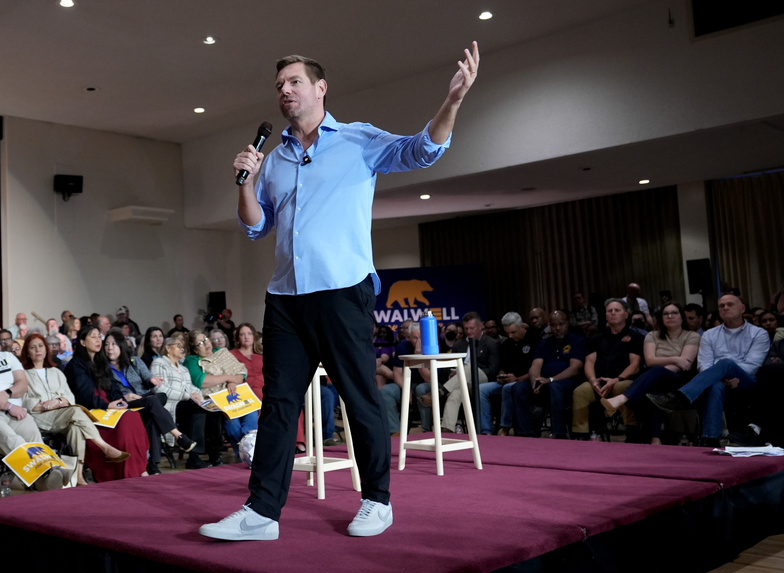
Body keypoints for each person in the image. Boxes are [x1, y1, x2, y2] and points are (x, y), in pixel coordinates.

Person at [201, 43, 480, 541]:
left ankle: (376, 499)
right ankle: (262, 512)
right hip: (285, 298)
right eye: (279, 86)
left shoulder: (358, 140)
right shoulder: (276, 158)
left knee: (357, 396)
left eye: (294, 82)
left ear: (320, 88)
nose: (285, 91)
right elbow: (255, 226)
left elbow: (423, 149)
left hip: (343, 293)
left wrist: (453, 101)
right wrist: (244, 182)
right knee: (279, 404)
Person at [648, 293, 770, 446]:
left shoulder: (758, 333)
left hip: (746, 381)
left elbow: (752, 365)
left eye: (730, 304)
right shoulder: (709, 334)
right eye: (721, 306)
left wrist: (726, 372)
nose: (725, 308)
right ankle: (710, 438)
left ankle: (682, 396)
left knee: (726, 363)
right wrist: (720, 378)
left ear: (742, 308)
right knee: (715, 385)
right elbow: (704, 364)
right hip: (717, 380)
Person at [0, 318, 65, 491]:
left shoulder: (7, 357)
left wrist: (7, 394)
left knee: (34, 438)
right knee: (9, 437)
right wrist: (8, 406)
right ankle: (49, 472)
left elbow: (22, 384)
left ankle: (36, 480)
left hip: (14, 412)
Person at [19, 333, 132, 485]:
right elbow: (25, 401)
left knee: (76, 428)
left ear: (46, 350)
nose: (37, 350)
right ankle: (104, 446)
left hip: (62, 415)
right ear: (27, 352)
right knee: (76, 411)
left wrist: (57, 401)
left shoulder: (56, 372)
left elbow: (69, 397)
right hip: (39, 417)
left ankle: (77, 475)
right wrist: (48, 404)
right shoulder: (23, 374)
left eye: (40, 346)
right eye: (32, 347)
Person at [64, 327, 172, 478]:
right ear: (82, 342)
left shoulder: (100, 362)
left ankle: (140, 468)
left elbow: (113, 386)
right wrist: (107, 405)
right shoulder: (76, 365)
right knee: (128, 418)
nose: (97, 340)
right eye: (93, 337)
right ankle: (128, 470)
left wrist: (118, 401)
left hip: (108, 407)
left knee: (132, 416)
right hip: (91, 410)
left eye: (98, 336)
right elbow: (84, 394)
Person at [600, 302, 700, 444]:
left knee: (655, 374)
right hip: (655, 379)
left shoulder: (692, 336)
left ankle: (623, 398)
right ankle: (655, 439)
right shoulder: (652, 336)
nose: (670, 316)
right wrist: (675, 359)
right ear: (661, 318)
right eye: (666, 314)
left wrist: (665, 366)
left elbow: (685, 364)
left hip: (680, 380)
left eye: (674, 313)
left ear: (681, 317)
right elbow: (650, 360)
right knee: (653, 392)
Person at [571, 299, 645, 439]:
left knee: (622, 387)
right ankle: (580, 434)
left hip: (623, 380)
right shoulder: (596, 338)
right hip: (599, 382)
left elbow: (635, 365)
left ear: (626, 315)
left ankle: (632, 431)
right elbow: (589, 362)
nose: (613, 313)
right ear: (605, 316)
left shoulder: (635, 337)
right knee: (580, 391)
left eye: (617, 310)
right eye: (609, 311)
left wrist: (616, 380)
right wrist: (593, 381)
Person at [185, 329, 257, 468]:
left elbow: (241, 372)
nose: (206, 344)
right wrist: (229, 378)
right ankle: (245, 456)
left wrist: (233, 381)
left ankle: (253, 451)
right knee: (233, 423)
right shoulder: (193, 360)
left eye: (205, 339)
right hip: (216, 400)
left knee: (252, 416)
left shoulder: (222, 352)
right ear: (194, 348)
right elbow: (202, 381)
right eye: (200, 343)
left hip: (237, 393)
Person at [512, 311, 585, 438]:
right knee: (518, 388)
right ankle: (525, 434)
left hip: (567, 382)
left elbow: (575, 368)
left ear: (567, 323)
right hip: (544, 383)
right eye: (554, 325)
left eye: (561, 324)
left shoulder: (577, 340)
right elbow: (535, 366)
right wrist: (535, 381)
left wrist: (551, 380)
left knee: (555, 387)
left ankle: (559, 433)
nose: (557, 328)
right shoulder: (544, 343)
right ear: (550, 326)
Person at [483, 312, 542, 436]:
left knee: (509, 388)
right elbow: (502, 367)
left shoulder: (535, 340)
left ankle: (504, 427)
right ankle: (485, 430)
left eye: (513, 332)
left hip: (525, 381)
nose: (510, 336)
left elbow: (537, 370)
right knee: (481, 390)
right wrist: (501, 375)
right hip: (507, 381)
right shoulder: (506, 344)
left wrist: (518, 379)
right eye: (507, 333)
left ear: (522, 327)